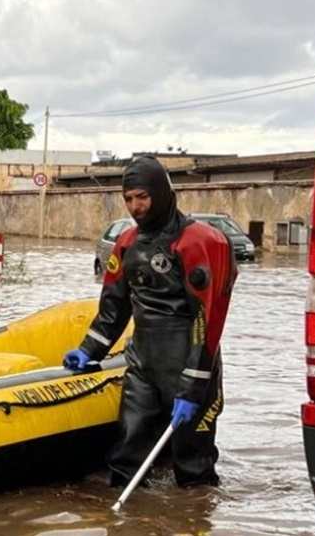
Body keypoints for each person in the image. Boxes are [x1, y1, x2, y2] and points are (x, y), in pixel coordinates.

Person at [62, 156, 236, 486]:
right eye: (128, 199)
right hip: (143, 361)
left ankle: (194, 515)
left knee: (193, 464)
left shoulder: (200, 241)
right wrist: (88, 350)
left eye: (142, 197)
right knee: (127, 448)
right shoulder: (126, 244)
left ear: (161, 192)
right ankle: (131, 516)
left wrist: (194, 384)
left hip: (188, 360)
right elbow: (113, 308)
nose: (135, 206)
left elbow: (208, 316)